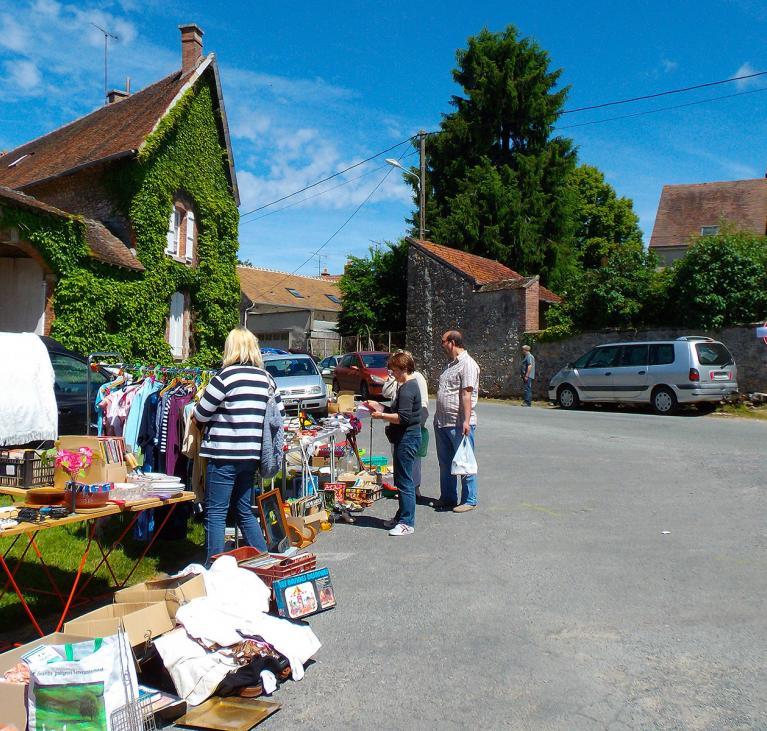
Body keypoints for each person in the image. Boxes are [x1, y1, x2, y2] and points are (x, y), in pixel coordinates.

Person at [193, 327, 285, 565]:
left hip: (223, 454)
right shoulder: (267, 380)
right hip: (252, 456)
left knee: (216, 512)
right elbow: (279, 416)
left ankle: (214, 567)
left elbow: (200, 414)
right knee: (244, 509)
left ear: (230, 348)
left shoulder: (224, 377)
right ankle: (263, 561)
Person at [364, 351, 422, 536]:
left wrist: (381, 415)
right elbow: (397, 410)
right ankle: (401, 516)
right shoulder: (405, 386)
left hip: (408, 437)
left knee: (405, 481)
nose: (392, 375)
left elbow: (403, 417)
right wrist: (379, 406)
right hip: (403, 437)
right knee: (401, 479)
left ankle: (407, 522)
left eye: (395, 371)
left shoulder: (407, 388)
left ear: (404, 369)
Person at [433, 329, 480, 513]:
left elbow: (466, 394)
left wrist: (466, 421)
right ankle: (448, 497)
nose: (441, 344)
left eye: (443, 341)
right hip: (443, 422)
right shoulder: (449, 365)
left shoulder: (467, 364)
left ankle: (469, 499)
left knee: (464, 461)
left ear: (452, 342)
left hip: (459, 422)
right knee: (445, 463)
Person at [381, 351, 429, 497]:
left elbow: (422, 404)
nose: (393, 372)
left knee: (412, 462)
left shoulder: (415, 379)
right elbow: (385, 392)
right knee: (400, 462)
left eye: (395, 369)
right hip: (397, 428)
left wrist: (418, 423)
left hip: (409, 428)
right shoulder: (398, 380)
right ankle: (404, 491)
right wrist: (391, 378)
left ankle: (414, 489)